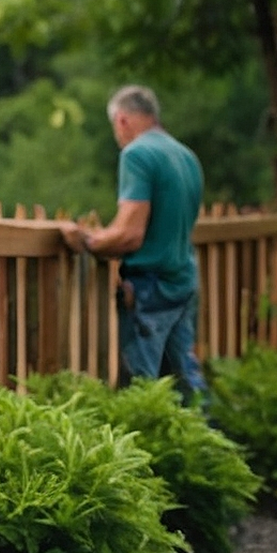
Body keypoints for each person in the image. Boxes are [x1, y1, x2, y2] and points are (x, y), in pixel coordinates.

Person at [60, 85, 206, 400]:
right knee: (185, 385)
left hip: (150, 290)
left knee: (142, 392)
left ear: (123, 120)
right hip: (182, 281)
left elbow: (130, 233)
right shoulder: (186, 156)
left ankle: (146, 448)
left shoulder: (137, 154)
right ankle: (204, 445)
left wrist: (86, 240)